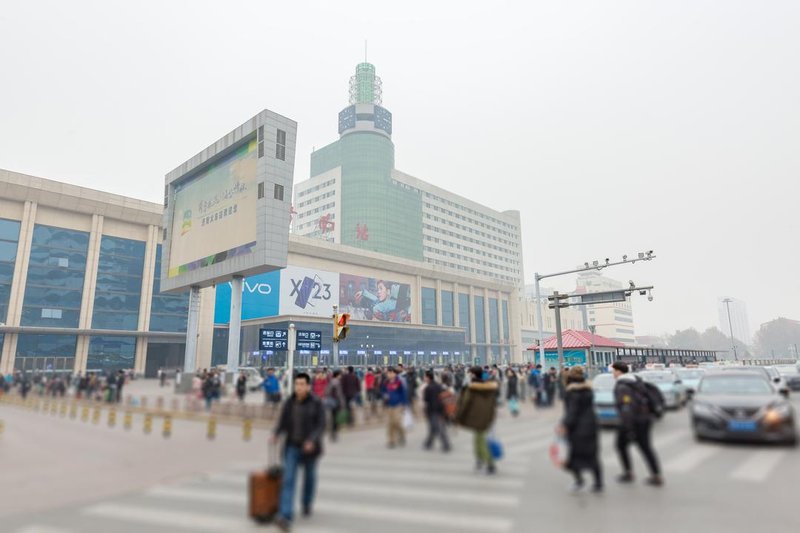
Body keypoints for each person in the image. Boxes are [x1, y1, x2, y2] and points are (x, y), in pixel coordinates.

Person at [271, 372, 326, 532]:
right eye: (297, 384)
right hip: (292, 446)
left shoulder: (316, 403)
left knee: (309, 478)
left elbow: (321, 425)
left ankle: (307, 503)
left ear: (308, 386)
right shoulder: (290, 402)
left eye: (302, 384)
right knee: (288, 479)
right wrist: (276, 434)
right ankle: (285, 515)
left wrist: (312, 440)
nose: (299, 387)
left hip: (310, 448)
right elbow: (282, 422)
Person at [612, 361, 663, 486]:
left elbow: (627, 407)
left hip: (633, 421)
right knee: (645, 447)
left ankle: (628, 473)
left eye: (613, 371)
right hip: (645, 419)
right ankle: (656, 475)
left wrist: (628, 428)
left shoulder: (622, 386)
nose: (613, 373)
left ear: (618, 371)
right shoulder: (636, 381)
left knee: (620, 445)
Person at [559, 366, 603, 492]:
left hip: (577, 428)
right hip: (592, 425)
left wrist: (565, 425)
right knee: (593, 456)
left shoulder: (572, 392)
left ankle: (579, 481)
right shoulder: (588, 390)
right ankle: (598, 483)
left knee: (572, 456)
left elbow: (572, 411)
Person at [455, 366, 499, 474]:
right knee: (478, 439)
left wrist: (458, 417)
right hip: (487, 417)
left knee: (480, 441)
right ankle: (479, 460)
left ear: (473, 374)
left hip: (476, 417)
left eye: (470, 373)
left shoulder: (472, 389)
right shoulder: (489, 387)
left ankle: (489, 463)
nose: (469, 375)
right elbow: (493, 403)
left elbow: (465, 404)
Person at [422, 370, 451, 452]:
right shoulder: (439, 386)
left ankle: (446, 444)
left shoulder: (428, 388)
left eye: (425, 376)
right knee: (433, 427)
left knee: (437, 428)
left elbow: (426, 399)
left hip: (432, 410)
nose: (424, 378)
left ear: (428, 377)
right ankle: (428, 443)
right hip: (440, 409)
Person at [381, 367, 408, 448]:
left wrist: (404, 404)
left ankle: (402, 435)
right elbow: (383, 391)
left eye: (391, 373)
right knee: (390, 423)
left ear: (395, 374)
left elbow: (403, 394)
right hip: (389, 405)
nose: (389, 374)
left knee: (397, 422)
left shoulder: (399, 382)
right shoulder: (386, 383)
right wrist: (384, 396)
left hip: (398, 405)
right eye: (388, 373)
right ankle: (391, 440)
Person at [324, 370, 345, 442]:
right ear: (337, 375)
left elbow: (326, 392)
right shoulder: (337, 382)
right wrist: (342, 403)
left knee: (332, 418)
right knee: (335, 419)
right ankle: (334, 434)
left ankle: (332, 433)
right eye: (340, 375)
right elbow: (339, 394)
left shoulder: (331, 382)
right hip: (336, 402)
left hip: (331, 403)